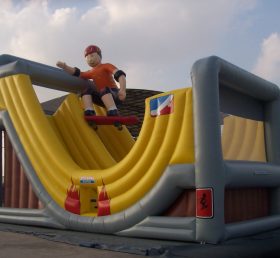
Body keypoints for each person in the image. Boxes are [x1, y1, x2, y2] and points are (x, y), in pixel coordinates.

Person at [56, 45, 126, 116]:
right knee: (86, 91)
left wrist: (122, 90)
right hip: (102, 97)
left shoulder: (106, 66)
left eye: (92, 56)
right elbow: (78, 73)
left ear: (99, 56)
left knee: (104, 90)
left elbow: (120, 75)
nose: (90, 59)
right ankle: (89, 111)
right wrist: (65, 66)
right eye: (88, 57)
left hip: (115, 95)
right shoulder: (91, 72)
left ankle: (113, 110)